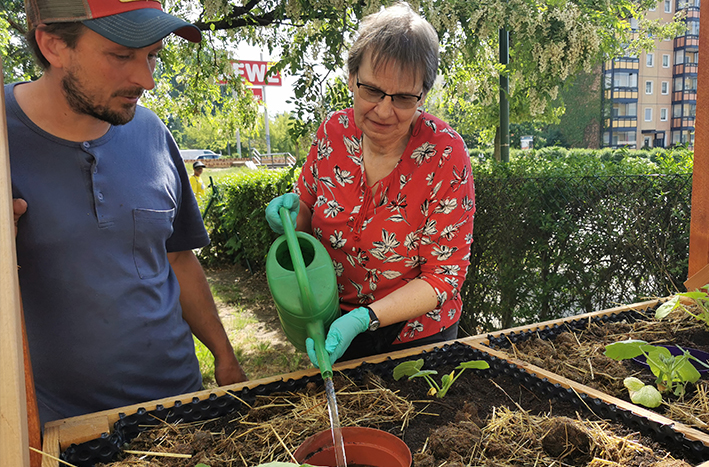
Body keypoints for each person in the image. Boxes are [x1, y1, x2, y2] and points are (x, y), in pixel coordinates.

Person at [9, 0, 247, 427]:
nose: (147, 80)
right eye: (121, 55)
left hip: (182, 409)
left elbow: (178, 258)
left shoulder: (153, 133)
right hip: (62, 431)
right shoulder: (1, 140)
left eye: (152, 55)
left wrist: (225, 357)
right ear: (53, 45)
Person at [265, 3, 475, 368]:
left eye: (404, 98)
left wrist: (365, 318)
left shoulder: (445, 154)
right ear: (351, 78)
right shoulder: (333, 133)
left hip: (417, 336)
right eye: (372, 90)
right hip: (332, 320)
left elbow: (444, 277)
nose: (383, 110)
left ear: (423, 95)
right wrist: (288, 215)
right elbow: (306, 213)